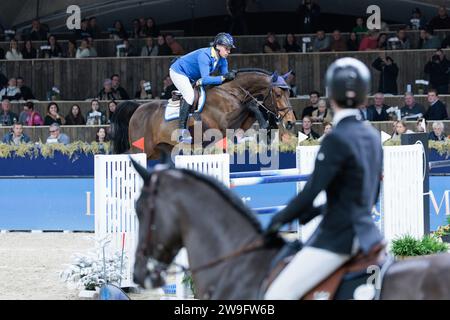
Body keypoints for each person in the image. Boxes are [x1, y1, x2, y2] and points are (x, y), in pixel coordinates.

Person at [263, 57, 383, 300]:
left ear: (331, 95)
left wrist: (276, 221)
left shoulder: (336, 138)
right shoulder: (372, 135)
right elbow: (369, 195)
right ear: (364, 96)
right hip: (369, 236)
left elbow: (310, 192)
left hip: (339, 239)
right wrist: (318, 212)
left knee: (275, 296)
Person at [169, 32, 236, 143]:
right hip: (179, 72)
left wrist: (230, 76)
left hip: (193, 76)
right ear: (218, 46)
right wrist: (224, 77)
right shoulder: (204, 56)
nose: (229, 51)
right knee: (190, 96)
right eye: (227, 48)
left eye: (229, 49)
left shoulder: (223, 60)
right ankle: (181, 132)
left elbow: (225, 78)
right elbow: (206, 79)